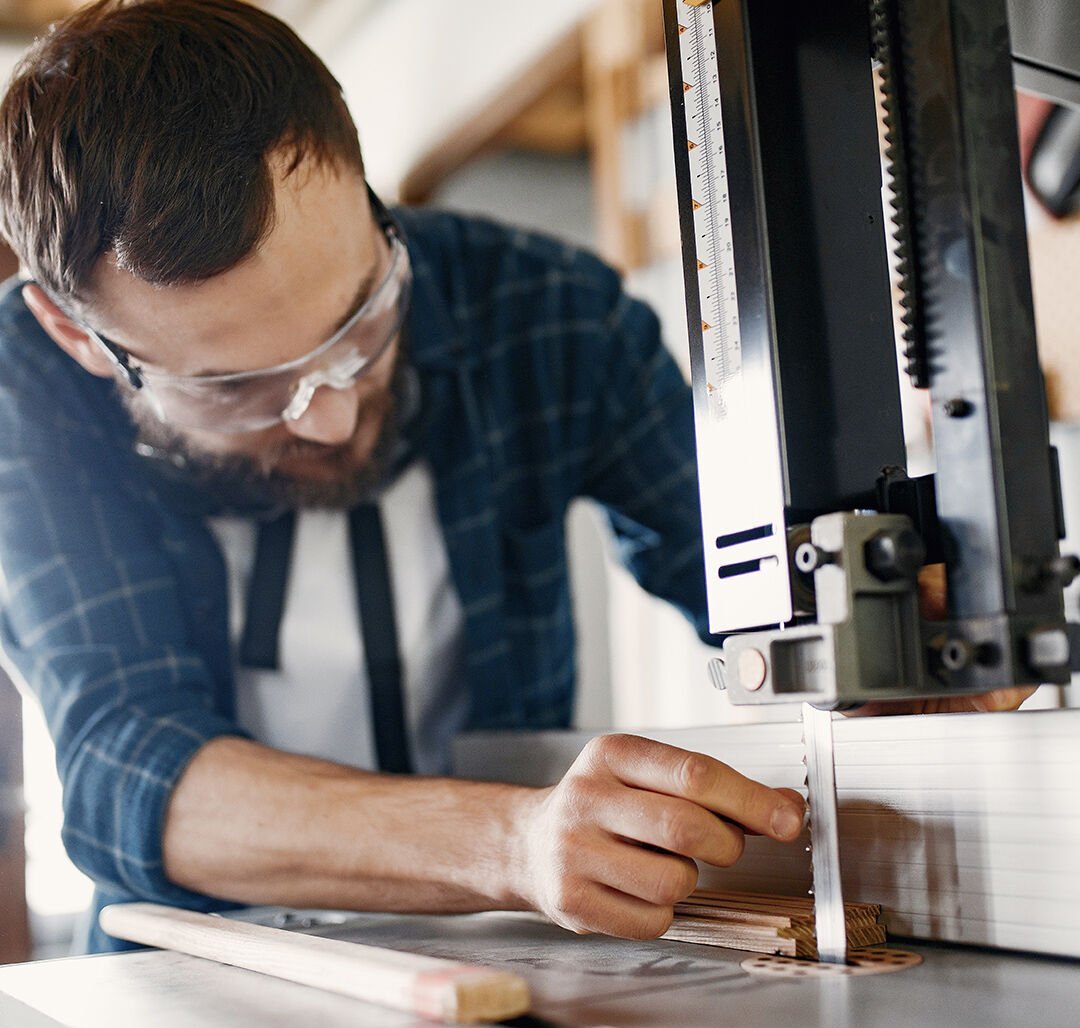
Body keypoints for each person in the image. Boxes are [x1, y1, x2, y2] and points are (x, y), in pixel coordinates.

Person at [0, 1, 1021, 954]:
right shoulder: (26, 391)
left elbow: (755, 588)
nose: (335, 412)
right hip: (191, 972)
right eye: (240, 390)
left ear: (365, 192)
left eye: (363, 324)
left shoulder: (543, 309)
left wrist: (906, 654)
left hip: (520, 961)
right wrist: (511, 843)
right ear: (76, 334)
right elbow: (128, 770)